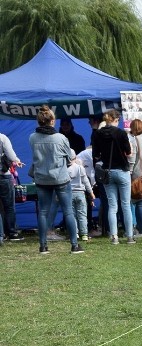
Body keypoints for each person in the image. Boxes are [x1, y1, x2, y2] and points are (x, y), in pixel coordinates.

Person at [29, 106, 83, 254]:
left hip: (41, 179)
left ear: (39, 121)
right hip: (60, 178)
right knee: (68, 211)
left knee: (43, 212)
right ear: (52, 121)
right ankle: (74, 245)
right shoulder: (61, 138)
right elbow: (69, 157)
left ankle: (43, 246)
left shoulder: (32, 137)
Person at [93, 109, 134, 244]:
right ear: (116, 120)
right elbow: (128, 153)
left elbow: (96, 154)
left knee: (112, 205)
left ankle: (114, 236)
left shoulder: (98, 134)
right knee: (126, 204)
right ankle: (129, 236)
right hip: (122, 170)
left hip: (107, 172)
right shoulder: (121, 133)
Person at [0, 131, 24, 242]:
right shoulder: (2, 138)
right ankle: (12, 232)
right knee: (9, 206)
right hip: (3, 175)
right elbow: (10, 154)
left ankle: (2, 233)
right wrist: (17, 161)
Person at [68, 158, 94, 242]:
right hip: (80, 193)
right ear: (75, 158)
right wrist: (91, 192)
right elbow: (86, 181)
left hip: (69, 194)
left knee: (72, 215)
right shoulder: (80, 168)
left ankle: (75, 233)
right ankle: (84, 234)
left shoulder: (65, 169)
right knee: (82, 214)